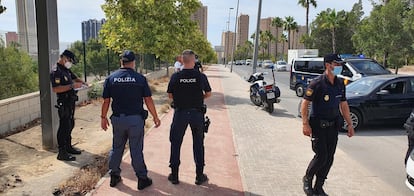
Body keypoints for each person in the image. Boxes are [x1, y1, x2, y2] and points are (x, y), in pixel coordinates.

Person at [100, 50, 161, 190]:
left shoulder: (111, 78)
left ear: (121, 62)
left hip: (118, 120)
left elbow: (106, 101)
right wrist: (155, 117)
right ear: (133, 62)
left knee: (116, 148)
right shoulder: (140, 78)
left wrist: (103, 118)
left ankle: (114, 176)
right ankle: (142, 178)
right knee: (136, 149)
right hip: (135, 120)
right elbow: (148, 99)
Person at [301, 53, 355, 196]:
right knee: (321, 156)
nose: (339, 67)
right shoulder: (317, 83)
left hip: (333, 126)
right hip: (318, 126)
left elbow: (343, 104)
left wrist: (349, 124)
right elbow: (305, 104)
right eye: (336, 64)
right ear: (327, 65)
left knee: (329, 158)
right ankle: (307, 179)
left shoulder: (340, 83)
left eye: (339, 64)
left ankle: (319, 186)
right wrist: (305, 124)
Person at [167, 49, 212, 185]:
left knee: (175, 143)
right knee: (198, 143)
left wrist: (181, 99)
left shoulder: (176, 76)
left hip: (180, 113)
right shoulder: (201, 76)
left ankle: (174, 175)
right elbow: (209, 93)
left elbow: (170, 95)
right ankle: (199, 176)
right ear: (193, 61)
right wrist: (200, 98)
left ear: (183, 60)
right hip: (197, 114)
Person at [50, 50, 87, 161]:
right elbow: (56, 88)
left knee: (70, 124)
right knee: (64, 126)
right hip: (63, 102)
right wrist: (72, 86)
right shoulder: (56, 71)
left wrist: (83, 83)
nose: (70, 63)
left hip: (70, 101)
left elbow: (75, 78)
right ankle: (62, 152)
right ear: (64, 58)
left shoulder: (66, 70)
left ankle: (68, 147)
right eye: (70, 60)